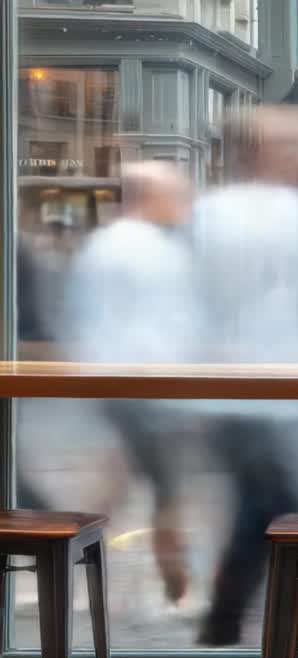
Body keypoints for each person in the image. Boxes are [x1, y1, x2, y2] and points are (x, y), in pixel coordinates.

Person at [191, 106, 298, 646]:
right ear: (258, 151)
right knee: (275, 506)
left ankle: (268, 615)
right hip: (254, 395)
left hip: (279, 392)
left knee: (278, 505)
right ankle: (264, 619)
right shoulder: (245, 214)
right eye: (297, 145)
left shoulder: (279, 211)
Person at [63, 161, 201, 609]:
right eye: (176, 195)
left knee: (118, 479)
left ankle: (73, 566)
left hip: (117, 382)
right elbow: (167, 325)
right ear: (149, 197)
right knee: (168, 485)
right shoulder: (150, 249)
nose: (184, 204)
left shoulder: (106, 244)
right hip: (147, 385)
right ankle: (177, 585)